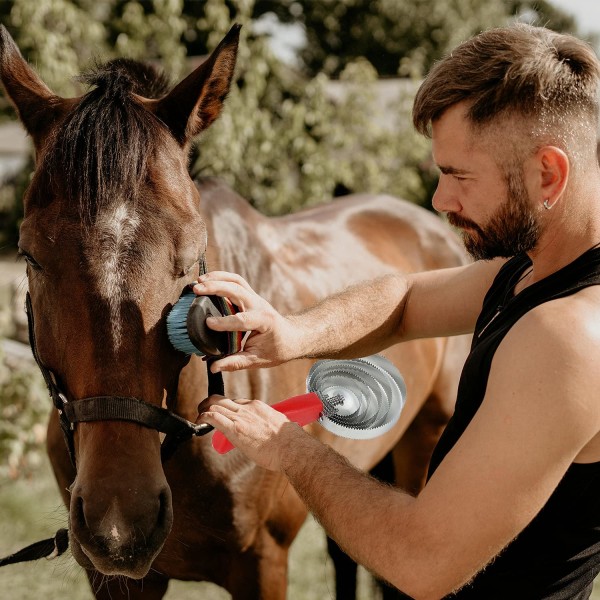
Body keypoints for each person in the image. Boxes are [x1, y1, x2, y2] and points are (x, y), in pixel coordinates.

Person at [195, 24, 600, 599]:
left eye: (460, 175)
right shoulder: (535, 268)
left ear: (548, 174)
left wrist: (291, 448)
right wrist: (292, 332)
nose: (440, 201)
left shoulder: (570, 336)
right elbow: (406, 300)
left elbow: (420, 561)